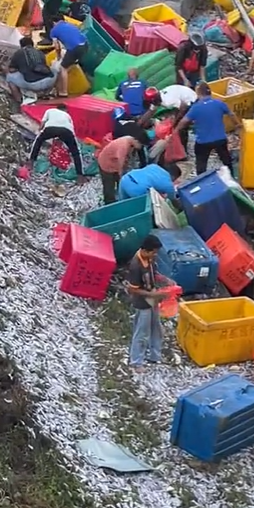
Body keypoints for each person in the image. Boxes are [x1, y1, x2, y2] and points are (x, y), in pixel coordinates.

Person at [126, 234, 172, 371]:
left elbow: (155, 274)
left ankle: (154, 355)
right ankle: (136, 361)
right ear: (145, 251)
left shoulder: (150, 259)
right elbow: (133, 290)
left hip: (153, 298)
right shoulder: (135, 265)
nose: (155, 255)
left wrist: (166, 280)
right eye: (154, 252)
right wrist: (154, 294)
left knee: (156, 327)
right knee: (142, 331)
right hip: (142, 302)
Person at [174, 81, 239, 176]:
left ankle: (201, 181)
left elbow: (184, 122)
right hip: (220, 139)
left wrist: (175, 131)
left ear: (198, 93)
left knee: (201, 164)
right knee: (226, 160)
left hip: (203, 141)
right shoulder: (219, 103)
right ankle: (232, 177)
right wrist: (238, 125)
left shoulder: (196, 108)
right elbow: (232, 114)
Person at [27, 104, 84, 183]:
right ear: (65, 111)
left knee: (38, 141)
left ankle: (31, 162)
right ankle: (80, 176)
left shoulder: (50, 110)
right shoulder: (68, 116)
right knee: (76, 152)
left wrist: (41, 131)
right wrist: (67, 141)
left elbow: (42, 124)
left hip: (50, 128)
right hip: (66, 131)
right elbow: (72, 132)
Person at [97, 134, 148, 204]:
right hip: (106, 163)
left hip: (113, 162)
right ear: (136, 141)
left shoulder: (130, 141)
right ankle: (109, 204)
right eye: (141, 145)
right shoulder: (123, 145)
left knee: (119, 183)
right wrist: (120, 174)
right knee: (109, 186)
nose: (140, 147)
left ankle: (121, 198)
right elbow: (120, 161)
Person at [6, 36, 58, 103]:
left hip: (33, 84)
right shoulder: (40, 52)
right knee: (55, 70)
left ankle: (19, 100)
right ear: (32, 44)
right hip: (48, 81)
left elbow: (11, 70)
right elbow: (44, 66)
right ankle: (46, 94)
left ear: (21, 45)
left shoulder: (18, 53)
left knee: (9, 77)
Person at [50, 17, 89, 97]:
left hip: (75, 48)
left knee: (62, 68)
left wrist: (58, 57)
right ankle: (75, 63)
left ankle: (63, 92)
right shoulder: (70, 25)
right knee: (69, 63)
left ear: (54, 22)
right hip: (85, 45)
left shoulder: (53, 30)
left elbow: (57, 47)